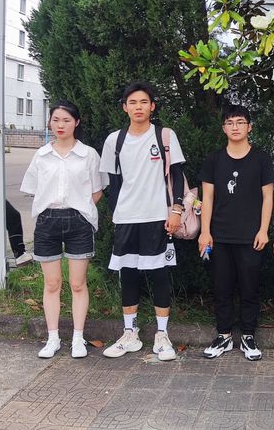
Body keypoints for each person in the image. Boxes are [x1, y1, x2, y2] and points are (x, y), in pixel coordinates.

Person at [100, 82, 186, 361]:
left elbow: (177, 175)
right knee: (128, 274)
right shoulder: (114, 140)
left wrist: (176, 210)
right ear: (124, 107)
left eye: (144, 102)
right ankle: (130, 333)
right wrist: (117, 212)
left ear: (152, 106)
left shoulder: (165, 136)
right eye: (133, 102)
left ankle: (162, 335)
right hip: (126, 218)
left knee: (159, 274)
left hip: (158, 217)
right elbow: (112, 183)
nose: (138, 107)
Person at [20, 101, 106, 358]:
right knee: (52, 283)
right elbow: (34, 189)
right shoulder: (42, 155)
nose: (60, 125)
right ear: (50, 122)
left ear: (76, 123)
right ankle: (53, 338)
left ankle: (78, 338)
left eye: (66, 120)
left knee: (78, 283)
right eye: (56, 120)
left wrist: (81, 210)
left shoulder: (88, 154)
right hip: (47, 222)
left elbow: (97, 190)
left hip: (79, 222)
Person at [198, 105, 274, 361]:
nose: (235, 127)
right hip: (219, 235)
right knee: (222, 288)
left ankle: (248, 336)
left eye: (240, 122)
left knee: (249, 288)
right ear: (223, 128)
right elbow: (207, 198)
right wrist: (205, 232)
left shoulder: (262, 159)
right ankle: (224, 335)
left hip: (251, 236)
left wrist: (263, 230)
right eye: (230, 123)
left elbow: (268, 197)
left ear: (249, 127)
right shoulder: (214, 159)